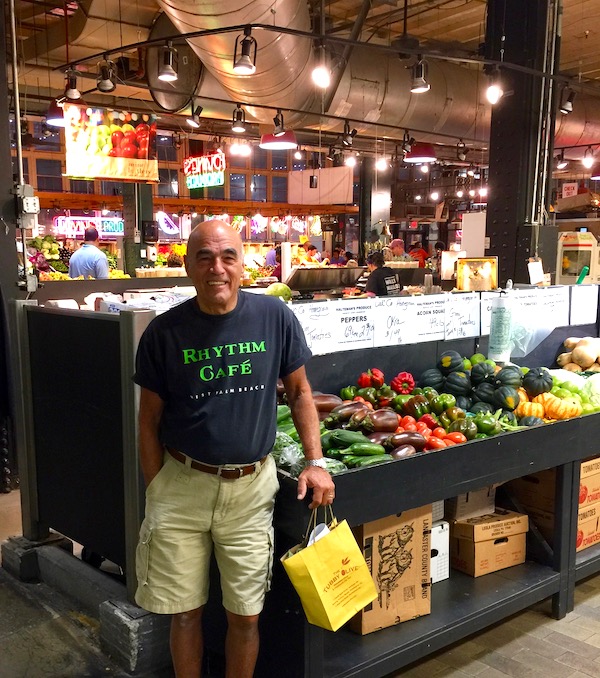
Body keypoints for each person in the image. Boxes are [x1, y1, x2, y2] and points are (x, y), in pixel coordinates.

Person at [133, 219, 334, 678]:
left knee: (245, 615)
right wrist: (158, 486)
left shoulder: (274, 317)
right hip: (181, 489)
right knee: (184, 612)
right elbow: (149, 419)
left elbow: (301, 393)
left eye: (228, 257)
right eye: (204, 257)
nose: (216, 268)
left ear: (245, 265)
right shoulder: (164, 334)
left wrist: (316, 462)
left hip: (250, 491)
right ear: (187, 265)